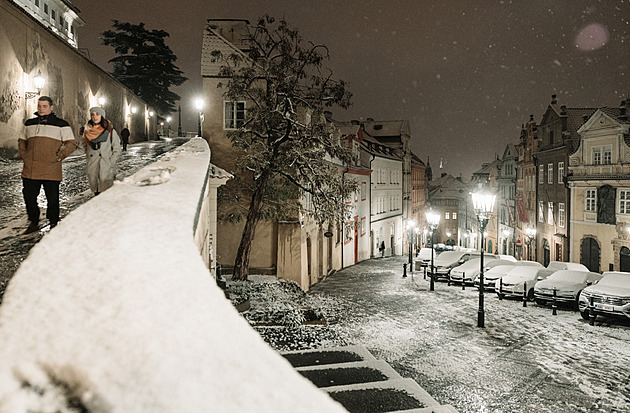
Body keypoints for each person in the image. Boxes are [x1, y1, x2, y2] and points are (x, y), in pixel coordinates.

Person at [19, 96, 77, 234]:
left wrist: (60, 155)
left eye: (44, 106)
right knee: (29, 196)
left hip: (51, 167)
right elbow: (22, 140)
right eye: (39, 106)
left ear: (51, 108)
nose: (41, 109)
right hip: (31, 168)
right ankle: (33, 221)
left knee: (52, 198)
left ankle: (53, 222)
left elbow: (71, 143)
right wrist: (23, 154)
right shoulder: (29, 123)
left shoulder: (61, 124)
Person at [78, 107, 122, 195]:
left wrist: (110, 163)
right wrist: (64, 153)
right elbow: (81, 149)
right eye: (92, 115)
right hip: (93, 167)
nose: (95, 117)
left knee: (107, 195)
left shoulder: (110, 131)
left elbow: (117, 149)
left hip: (106, 167)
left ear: (102, 116)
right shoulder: (86, 132)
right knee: (97, 194)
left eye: (97, 114)